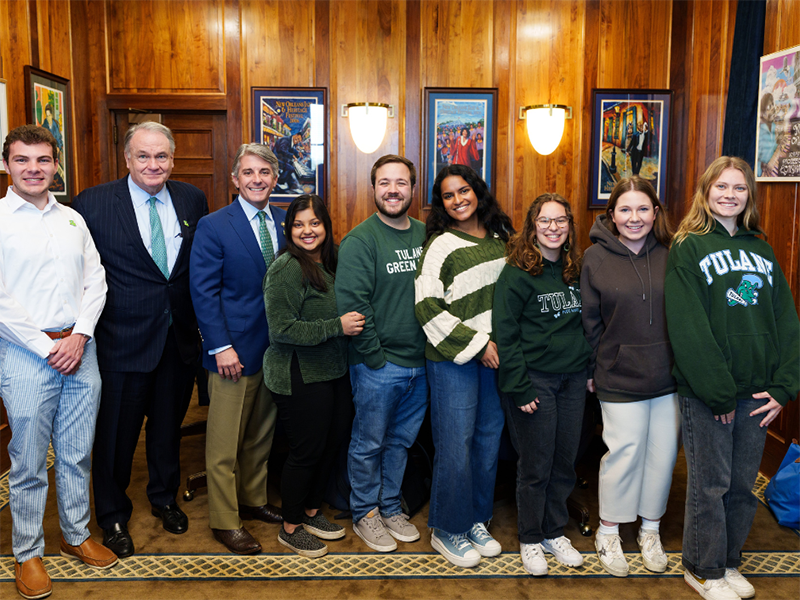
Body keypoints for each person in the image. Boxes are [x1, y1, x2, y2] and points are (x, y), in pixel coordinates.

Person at [72, 121, 209, 558]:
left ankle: (164, 498)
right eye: (144, 156)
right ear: (128, 159)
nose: (154, 164)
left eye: (162, 156)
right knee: (114, 438)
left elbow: (191, 269)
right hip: (120, 342)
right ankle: (112, 513)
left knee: (167, 430)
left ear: (172, 159)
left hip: (177, 340)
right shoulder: (91, 204)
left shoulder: (192, 198)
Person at [666, 156, 800, 600]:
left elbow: (786, 321)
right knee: (710, 484)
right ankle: (701, 569)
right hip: (709, 393)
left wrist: (783, 388)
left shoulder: (761, 248)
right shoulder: (688, 246)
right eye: (721, 186)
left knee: (743, 486)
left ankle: (727, 561)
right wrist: (717, 392)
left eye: (738, 188)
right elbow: (687, 327)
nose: (729, 195)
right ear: (705, 192)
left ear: (749, 197)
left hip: (758, 393)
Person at [1, 125, 117, 600]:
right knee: (28, 461)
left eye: (43, 160)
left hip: (80, 349)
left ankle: (76, 535)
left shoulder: (72, 219)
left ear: (55, 165)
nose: (34, 169)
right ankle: (28, 553)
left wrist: (82, 334)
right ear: (7, 165)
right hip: (27, 354)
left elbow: (98, 278)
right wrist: (49, 346)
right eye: (23, 160)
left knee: (75, 451)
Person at [414, 164, 514, 568]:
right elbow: (426, 306)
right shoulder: (440, 245)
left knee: (488, 442)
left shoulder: (501, 238)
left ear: (478, 191)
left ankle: (475, 517)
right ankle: (447, 529)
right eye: (448, 195)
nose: (458, 200)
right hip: (454, 359)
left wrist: (499, 345)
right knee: (456, 445)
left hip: (497, 356)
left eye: (464, 191)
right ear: (441, 203)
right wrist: (476, 345)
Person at [189, 144, 287, 555]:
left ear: (276, 178)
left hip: (275, 350)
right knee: (224, 443)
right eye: (248, 172)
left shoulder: (285, 222)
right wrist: (221, 347)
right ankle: (226, 520)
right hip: (232, 352)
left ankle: (253, 499)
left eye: (264, 172)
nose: (256, 179)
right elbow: (203, 291)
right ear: (235, 179)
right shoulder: (215, 225)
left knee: (260, 436)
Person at [581, 176, 679, 578]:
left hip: (669, 376)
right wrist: (593, 368)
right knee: (624, 454)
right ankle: (609, 531)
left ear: (655, 213)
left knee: (663, 455)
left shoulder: (674, 253)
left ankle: (650, 530)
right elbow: (588, 322)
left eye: (643, 209)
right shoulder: (595, 258)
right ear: (613, 214)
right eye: (625, 209)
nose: (634, 217)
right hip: (618, 375)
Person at [493, 193, 591, 577]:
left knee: (565, 461)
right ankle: (530, 538)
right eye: (545, 221)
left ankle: (554, 531)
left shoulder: (575, 269)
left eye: (561, 220)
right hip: (534, 380)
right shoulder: (516, 274)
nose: (553, 227)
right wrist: (519, 386)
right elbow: (506, 334)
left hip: (573, 379)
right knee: (536, 465)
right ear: (532, 226)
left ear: (569, 225)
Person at [335, 155, 428, 552]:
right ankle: (365, 514)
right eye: (385, 182)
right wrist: (376, 359)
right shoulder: (361, 240)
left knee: (400, 443)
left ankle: (390, 507)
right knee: (369, 443)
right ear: (373, 189)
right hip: (379, 365)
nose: (393, 189)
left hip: (422, 365)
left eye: (401, 182)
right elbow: (354, 305)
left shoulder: (428, 235)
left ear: (412, 188)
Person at [263, 194, 364, 558]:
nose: (308, 231)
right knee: (305, 452)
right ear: (289, 230)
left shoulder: (333, 261)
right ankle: (290, 528)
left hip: (334, 371)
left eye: (314, 223)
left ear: (326, 225)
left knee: (330, 446)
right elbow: (281, 329)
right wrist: (336, 326)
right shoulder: (288, 267)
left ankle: (310, 512)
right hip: (298, 374)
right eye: (299, 225)